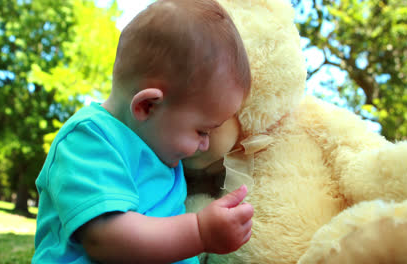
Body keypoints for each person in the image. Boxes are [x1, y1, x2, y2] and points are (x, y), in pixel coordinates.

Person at [32, 0, 253, 263]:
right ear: (148, 106)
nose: (205, 145)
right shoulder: (88, 140)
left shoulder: (159, 146)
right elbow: (106, 239)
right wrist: (200, 232)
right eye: (202, 131)